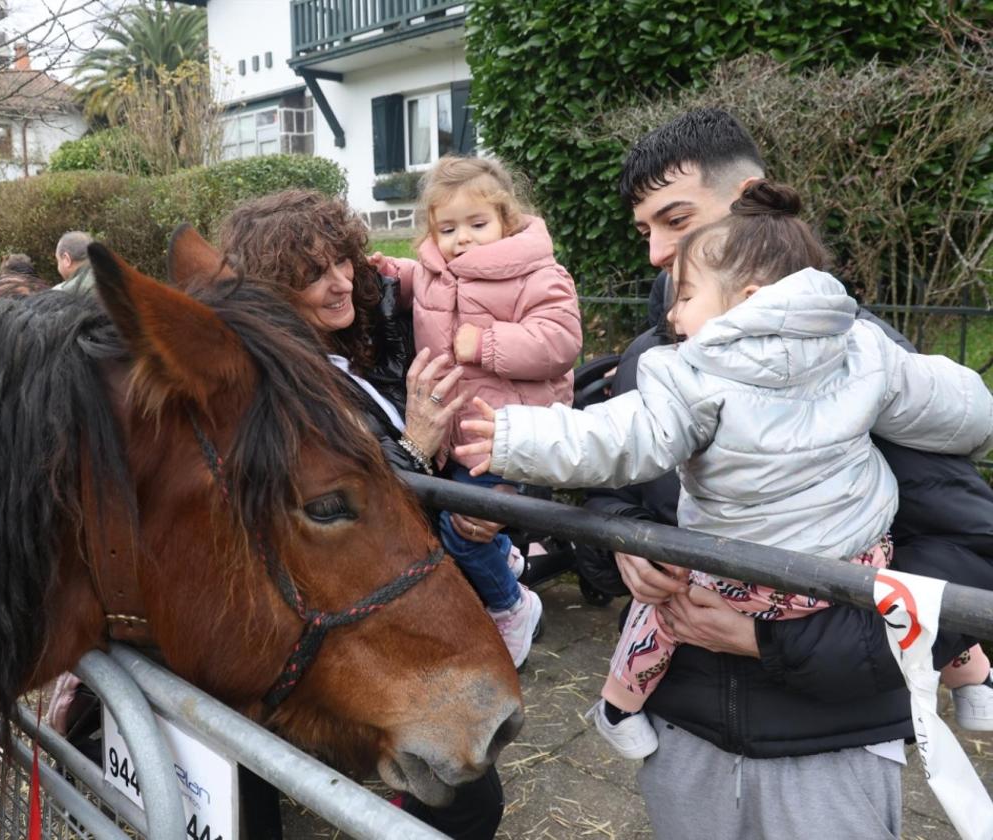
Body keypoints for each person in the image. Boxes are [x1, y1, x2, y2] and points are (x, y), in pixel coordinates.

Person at [527, 107, 993, 839]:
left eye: (674, 219)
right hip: (681, 737)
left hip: (827, 751)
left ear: (751, 197)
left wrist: (772, 643)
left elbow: (965, 569)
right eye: (644, 228)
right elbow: (612, 499)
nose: (654, 253)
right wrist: (625, 543)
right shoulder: (653, 359)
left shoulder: (859, 359)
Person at [218, 188, 506, 840]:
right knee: (468, 800)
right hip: (359, 614)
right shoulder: (283, 386)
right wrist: (418, 448)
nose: (342, 281)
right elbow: (339, 510)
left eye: (343, 260)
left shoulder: (352, 345)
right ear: (271, 291)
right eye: (314, 274)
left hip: (405, 590)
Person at [369, 156, 582, 668]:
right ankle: (504, 558)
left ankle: (513, 608)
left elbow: (560, 340)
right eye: (448, 228)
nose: (462, 238)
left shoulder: (537, 275)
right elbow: (420, 282)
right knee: (453, 518)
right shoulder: (438, 273)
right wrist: (390, 274)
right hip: (461, 437)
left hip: (512, 437)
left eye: (477, 224)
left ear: (506, 220)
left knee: (463, 534)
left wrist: (485, 343)